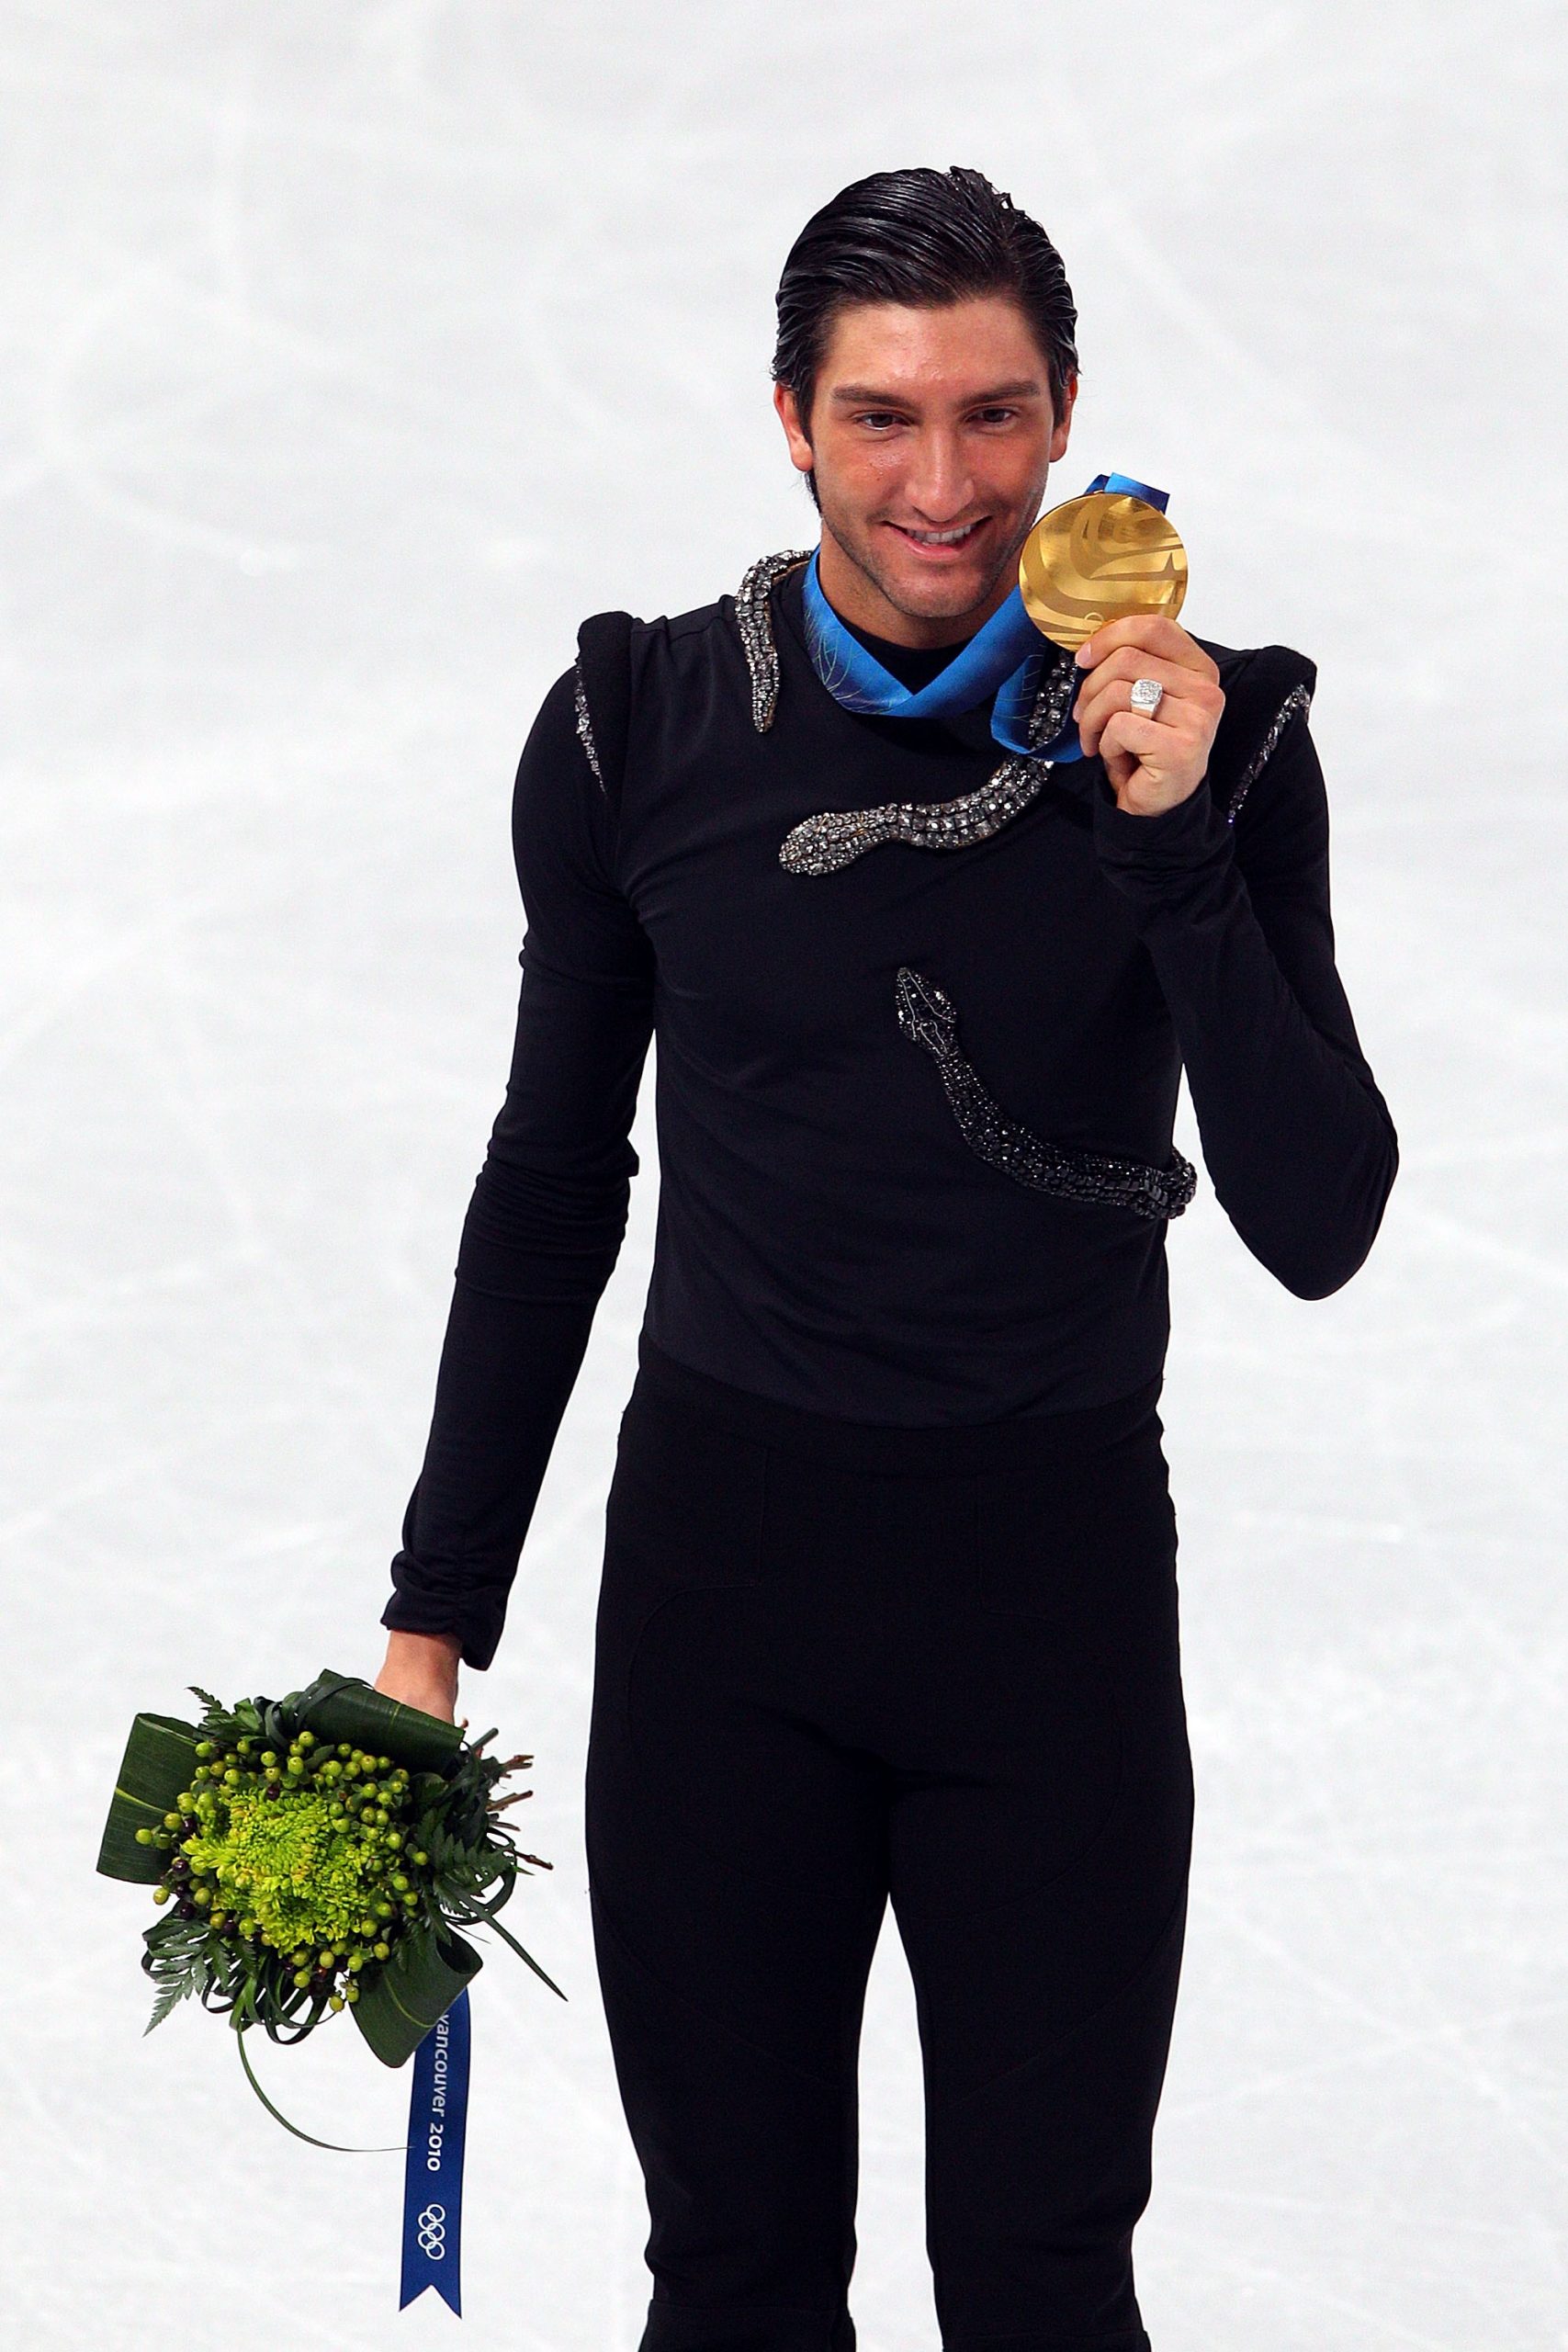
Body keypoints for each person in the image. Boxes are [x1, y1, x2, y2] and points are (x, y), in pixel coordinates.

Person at [374, 165, 1398, 2352]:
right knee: (735, 2281)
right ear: (788, 419)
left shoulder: (1220, 739)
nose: (943, 486)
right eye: (881, 419)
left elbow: (1318, 1220)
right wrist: (428, 1619)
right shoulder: (635, 723)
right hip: (719, 1612)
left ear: (1067, 420)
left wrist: (1176, 852)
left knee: (1037, 2282)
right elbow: (558, 1177)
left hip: (1048, 1608)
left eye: (995, 416)